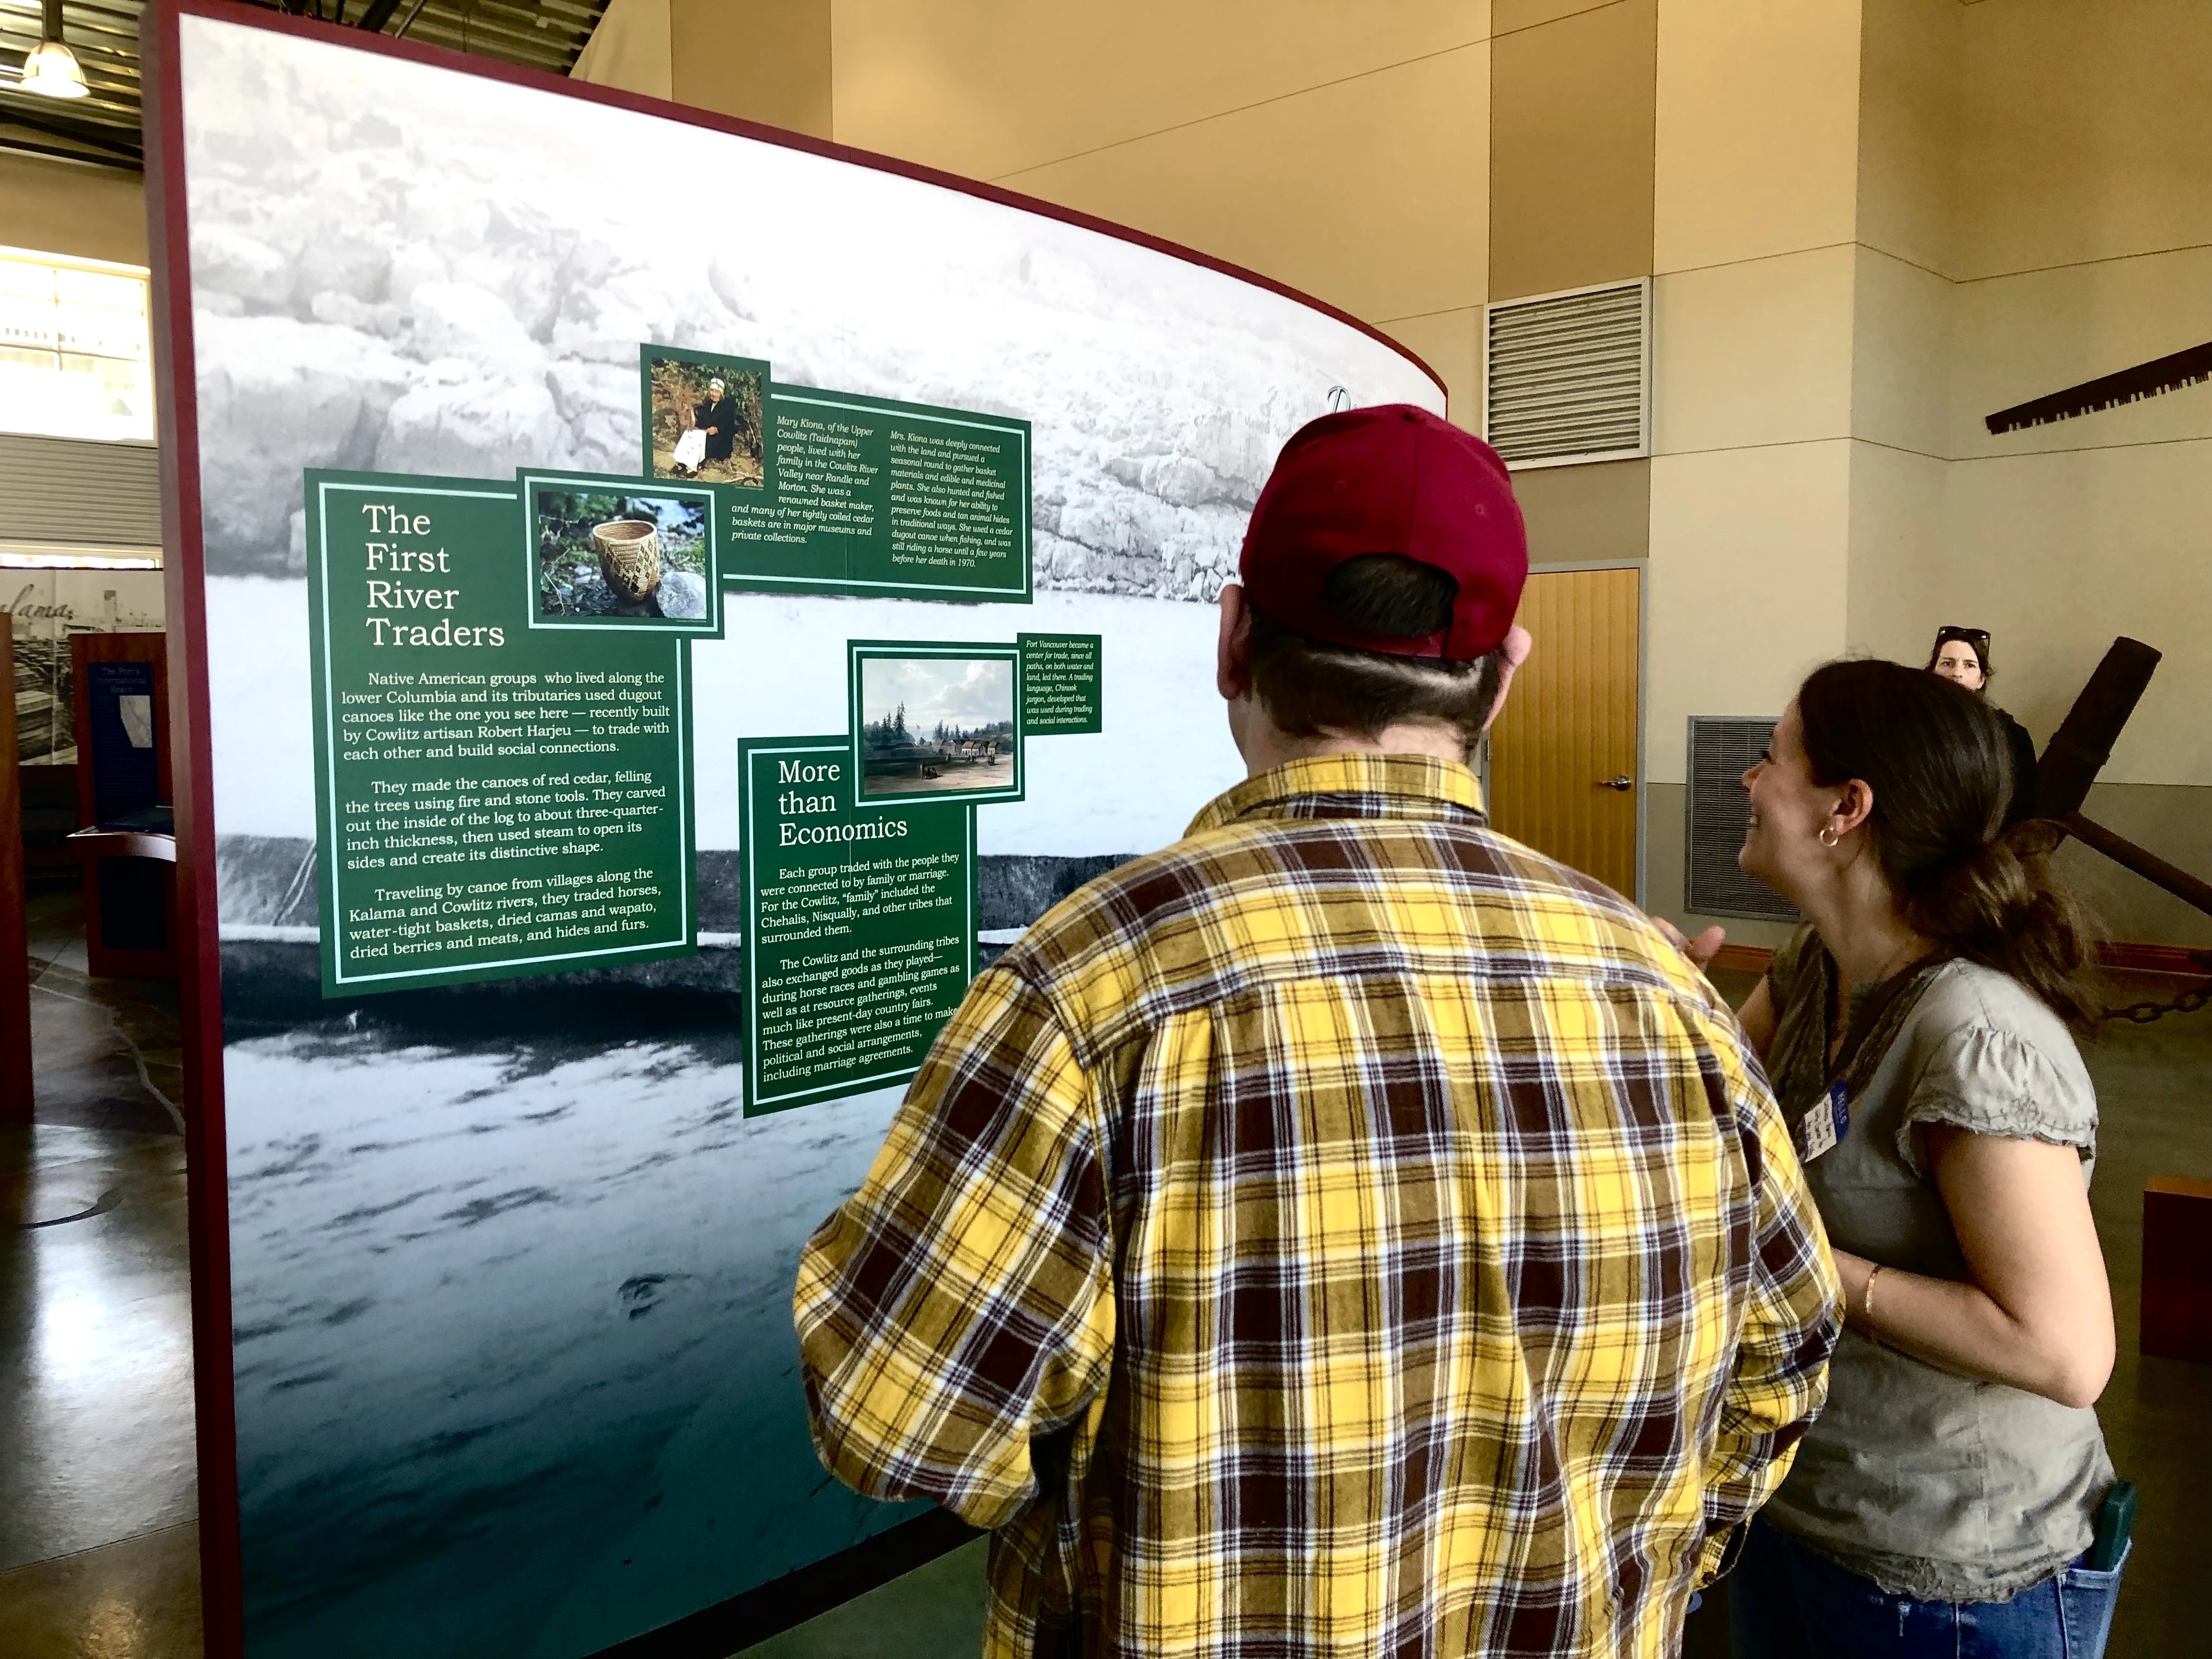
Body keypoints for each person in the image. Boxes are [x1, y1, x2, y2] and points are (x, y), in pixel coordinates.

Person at [794, 405, 1841, 1658]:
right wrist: (1632, 1578)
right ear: (1504, 674)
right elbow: (1780, 1366)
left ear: (1233, 640)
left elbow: (894, 1421)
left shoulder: (1086, 990)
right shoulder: (1668, 999)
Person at [1721, 659, 2125, 1659]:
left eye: (1773, 757)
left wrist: (1818, 1264)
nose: (1749, 778)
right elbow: (1715, 1124)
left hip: (1948, 1576)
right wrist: (1647, 999)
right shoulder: (1817, 965)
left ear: (1844, 809)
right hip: (1802, 1504)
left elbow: (2065, 1351)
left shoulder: (1972, 1033)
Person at [1926, 625, 2039, 824]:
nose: (1956, 673)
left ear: (1981, 679)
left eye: (1969, 665)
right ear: (1932, 673)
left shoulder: (2011, 735)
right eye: (1947, 663)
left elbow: (2023, 807)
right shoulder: (1910, 726)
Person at [695, 375, 740, 464]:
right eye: (712, 391)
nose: (714, 394)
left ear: (721, 394)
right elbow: (703, 421)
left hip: (720, 441)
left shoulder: (727, 407)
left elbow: (730, 426)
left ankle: (694, 467)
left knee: (701, 444)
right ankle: (681, 464)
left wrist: (717, 429)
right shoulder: (708, 404)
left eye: (716, 392)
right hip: (707, 436)